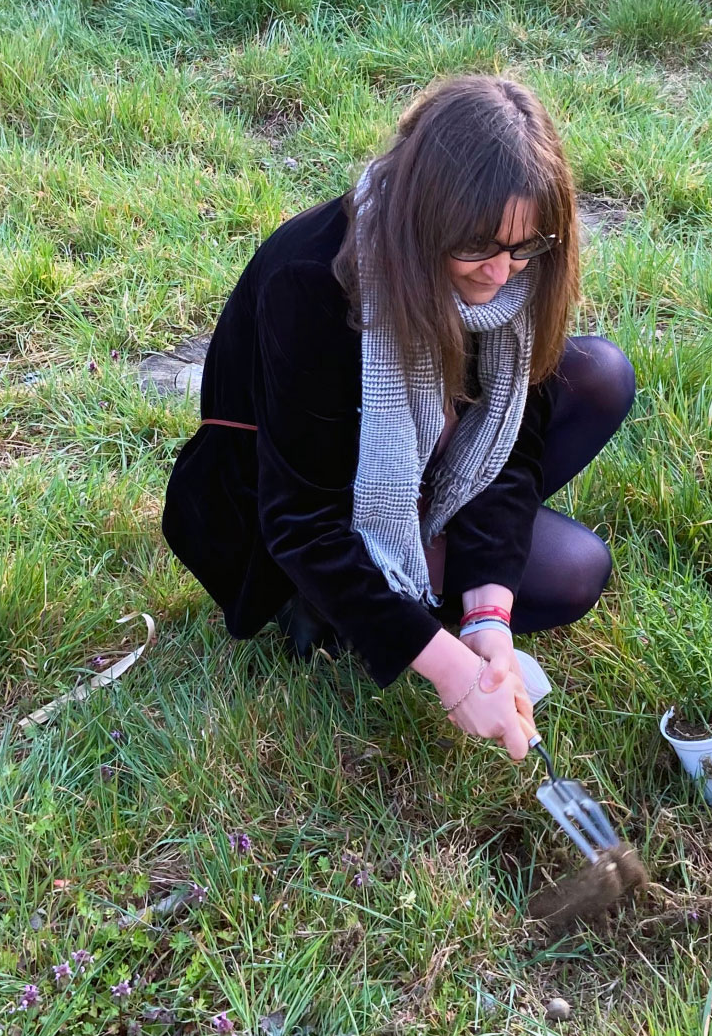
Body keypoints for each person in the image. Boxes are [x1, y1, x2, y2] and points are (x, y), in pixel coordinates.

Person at [160, 75, 634, 761]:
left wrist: (488, 620)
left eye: (524, 246)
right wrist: (449, 672)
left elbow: (508, 447)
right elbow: (300, 521)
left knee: (598, 378)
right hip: (292, 516)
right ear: (424, 213)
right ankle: (336, 609)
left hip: (425, 470)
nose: (501, 275)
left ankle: (427, 589)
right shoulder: (312, 282)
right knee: (568, 567)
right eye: (477, 246)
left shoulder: (514, 270)